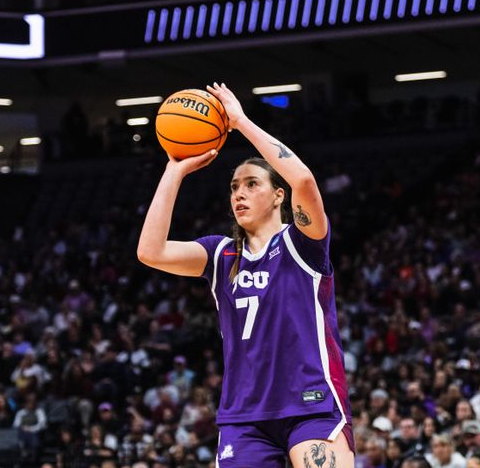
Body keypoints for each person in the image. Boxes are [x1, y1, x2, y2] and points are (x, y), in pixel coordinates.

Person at [137, 82, 352, 467]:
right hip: (245, 415)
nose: (239, 193)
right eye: (234, 186)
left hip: (310, 402)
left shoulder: (303, 242)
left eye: (252, 184)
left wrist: (241, 122)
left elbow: (302, 180)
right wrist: (174, 169)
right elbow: (150, 252)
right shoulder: (221, 254)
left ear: (278, 196)